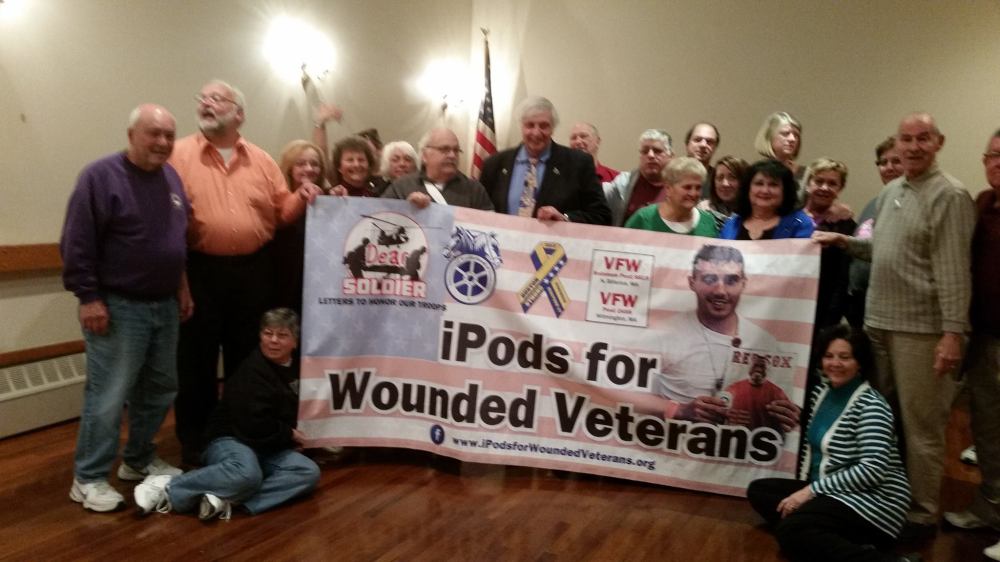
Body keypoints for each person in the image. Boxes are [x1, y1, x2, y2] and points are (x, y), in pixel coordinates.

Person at [813, 112, 975, 540]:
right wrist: (844, 242)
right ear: (897, 144)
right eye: (906, 139)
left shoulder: (950, 195)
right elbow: (882, 249)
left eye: (923, 138)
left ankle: (921, 515)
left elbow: (955, 273)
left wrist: (952, 334)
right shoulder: (891, 192)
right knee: (879, 422)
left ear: (939, 142)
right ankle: (883, 500)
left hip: (922, 333)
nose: (913, 147)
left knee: (921, 428)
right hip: (878, 326)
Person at [170, 80, 321, 465]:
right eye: (202, 98)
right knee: (196, 363)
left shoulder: (262, 160)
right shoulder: (178, 155)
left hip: (254, 272)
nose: (206, 103)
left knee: (247, 361)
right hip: (200, 270)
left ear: (239, 113)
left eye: (216, 99)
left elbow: (281, 213)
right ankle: (196, 442)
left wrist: (302, 196)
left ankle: (243, 435)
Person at [60, 104, 189, 512]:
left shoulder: (171, 177)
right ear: (132, 135)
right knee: (109, 395)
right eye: (154, 133)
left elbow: (175, 241)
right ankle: (88, 478)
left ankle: (138, 459)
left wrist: (182, 288)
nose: (163, 142)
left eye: (169, 135)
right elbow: (77, 242)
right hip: (118, 307)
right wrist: (89, 298)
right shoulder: (100, 177)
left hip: (164, 305)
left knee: (160, 388)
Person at [746, 325, 913, 562]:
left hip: (874, 500)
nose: (835, 363)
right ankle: (830, 535)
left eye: (845, 357)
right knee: (759, 491)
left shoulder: (872, 406)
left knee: (790, 530)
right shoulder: (821, 393)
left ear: (860, 363)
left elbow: (872, 471)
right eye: (829, 356)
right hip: (833, 489)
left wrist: (809, 492)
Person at [134, 309, 320, 520]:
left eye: (282, 335)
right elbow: (253, 426)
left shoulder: (299, 369)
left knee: (307, 472)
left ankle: (226, 499)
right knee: (246, 474)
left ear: (295, 342)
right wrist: (290, 435)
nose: (273, 341)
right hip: (231, 440)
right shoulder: (252, 372)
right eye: (268, 333)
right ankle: (166, 486)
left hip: (267, 445)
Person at [652, 245, 798, 430]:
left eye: (731, 280)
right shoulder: (664, 332)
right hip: (676, 444)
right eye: (709, 279)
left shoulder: (765, 342)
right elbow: (627, 394)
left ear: (743, 283)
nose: (720, 291)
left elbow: (780, 409)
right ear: (692, 282)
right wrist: (678, 409)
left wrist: (788, 416)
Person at [943, 129, 1000, 561]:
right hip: (982, 336)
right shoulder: (982, 203)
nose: (998, 163)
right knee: (988, 430)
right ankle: (991, 506)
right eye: (993, 155)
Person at [479, 96, 611, 225]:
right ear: (521, 127)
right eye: (530, 125)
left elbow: (601, 215)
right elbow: (479, 213)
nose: (536, 133)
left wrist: (565, 218)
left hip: (555, 240)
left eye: (544, 126)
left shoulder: (578, 164)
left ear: (553, 128)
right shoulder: (494, 164)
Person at [845, 137, 903, 330]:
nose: (889, 167)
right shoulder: (874, 203)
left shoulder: (912, 204)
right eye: (883, 162)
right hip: (859, 304)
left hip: (891, 308)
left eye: (896, 161)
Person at [271, 140, 328, 314]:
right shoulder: (275, 199)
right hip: (283, 278)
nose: (309, 169)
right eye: (301, 164)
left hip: (317, 281)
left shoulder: (328, 199)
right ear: (289, 168)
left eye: (315, 164)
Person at [381, 127, 494, 210]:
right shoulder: (401, 186)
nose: (452, 155)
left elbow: (489, 228)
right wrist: (405, 208)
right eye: (444, 149)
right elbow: (380, 218)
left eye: (456, 150)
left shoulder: (474, 190)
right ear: (425, 155)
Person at [802, 158, 855, 331]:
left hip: (826, 307)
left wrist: (834, 312)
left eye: (832, 183)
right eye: (819, 181)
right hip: (791, 301)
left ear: (840, 189)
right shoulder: (789, 219)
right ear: (808, 184)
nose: (824, 188)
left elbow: (843, 274)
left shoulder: (846, 225)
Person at [719, 159, 814, 240]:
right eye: (759, 184)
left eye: (773, 185)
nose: (765, 190)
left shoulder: (799, 223)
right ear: (748, 188)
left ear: (785, 190)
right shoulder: (732, 224)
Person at [624, 156, 719, 237]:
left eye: (698, 188)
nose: (693, 193)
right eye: (687, 187)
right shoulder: (643, 219)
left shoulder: (708, 222)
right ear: (668, 188)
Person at [603, 129, 674, 226]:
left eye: (657, 151)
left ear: (671, 156)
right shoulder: (623, 182)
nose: (650, 155)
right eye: (645, 151)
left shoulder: (679, 186)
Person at [723, 354, 790, 431]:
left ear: (767, 370)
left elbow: (788, 420)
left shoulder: (777, 392)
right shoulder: (732, 389)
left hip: (765, 436)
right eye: (755, 365)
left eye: (762, 366)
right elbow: (721, 415)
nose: (758, 369)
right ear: (749, 368)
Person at [697, 155, 747, 230]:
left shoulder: (754, 214)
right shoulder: (702, 211)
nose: (725, 184)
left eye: (732, 177)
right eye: (720, 178)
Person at [754, 111, 803, 180]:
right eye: (785, 133)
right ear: (770, 137)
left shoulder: (804, 174)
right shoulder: (755, 172)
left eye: (796, 135)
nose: (792, 139)